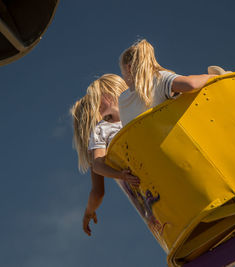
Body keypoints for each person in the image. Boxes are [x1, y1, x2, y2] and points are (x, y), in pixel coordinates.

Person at [70, 74, 140, 236]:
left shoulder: (102, 131)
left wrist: (88, 212)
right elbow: (98, 169)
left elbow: (97, 192)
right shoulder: (100, 133)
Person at [118, 39, 226, 125]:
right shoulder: (158, 79)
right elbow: (191, 84)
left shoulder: (122, 99)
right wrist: (212, 76)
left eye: (122, 73)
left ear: (129, 68)